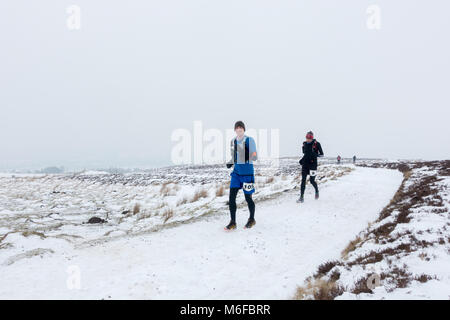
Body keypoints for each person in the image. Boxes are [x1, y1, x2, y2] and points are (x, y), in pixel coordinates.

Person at [225, 121, 258, 230]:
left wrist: (248, 156)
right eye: (237, 128)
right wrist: (230, 162)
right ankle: (233, 222)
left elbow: (254, 156)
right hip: (236, 174)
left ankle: (252, 219)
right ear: (235, 130)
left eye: (241, 127)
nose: (239, 129)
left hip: (247, 174)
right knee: (231, 198)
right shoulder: (233, 141)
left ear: (244, 129)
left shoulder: (249, 140)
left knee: (248, 198)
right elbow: (234, 156)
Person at [297, 131, 324, 203]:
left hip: (313, 165)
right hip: (305, 165)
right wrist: (302, 160)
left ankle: (316, 190)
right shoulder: (304, 144)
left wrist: (315, 154)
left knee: (312, 181)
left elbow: (322, 154)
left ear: (312, 138)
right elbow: (306, 154)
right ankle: (301, 197)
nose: (308, 139)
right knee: (303, 180)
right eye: (307, 137)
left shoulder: (317, 144)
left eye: (310, 138)